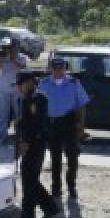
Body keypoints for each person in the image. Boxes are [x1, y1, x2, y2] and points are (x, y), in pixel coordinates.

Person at [38, 57, 90, 202]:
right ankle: (56, 189)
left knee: (72, 157)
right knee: (55, 158)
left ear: (65, 68)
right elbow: (39, 105)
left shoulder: (74, 83)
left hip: (69, 122)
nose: (58, 71)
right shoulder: (44, 84)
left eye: (61, 68)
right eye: (55, 68)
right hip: (52, 124)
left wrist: (81, 125)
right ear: (51, 68)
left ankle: (71, 186)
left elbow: (81, 105)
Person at [15, 72, 59, 218]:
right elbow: (25, 121)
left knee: (30, 178)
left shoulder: (38, 99)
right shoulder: (26, 98)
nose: (19, 87)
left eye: (21, 84)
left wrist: (26, 141)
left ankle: (50, 207)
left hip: (35, 143)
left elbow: (36, 123)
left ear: (29, 82)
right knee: (27, 178)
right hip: (28, 141)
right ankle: (28, 212)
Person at [0, 37, 28, 145]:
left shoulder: (22, 57)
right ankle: (2, 135)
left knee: (19, 114)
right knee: (3, 114)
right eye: (10, 47)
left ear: (17, 47)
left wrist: (13, 59)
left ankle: (19, 135)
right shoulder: (4, 56)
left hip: (17, 90)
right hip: (4, 90)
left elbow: (23, 69)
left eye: (13, 47)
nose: (11, 49)